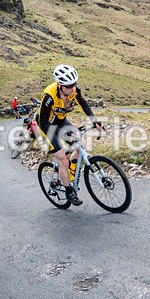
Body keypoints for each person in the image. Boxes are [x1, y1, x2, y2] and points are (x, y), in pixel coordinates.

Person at [37, 64, 101, 206]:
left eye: (73, 84)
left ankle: (71, 176)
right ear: (59, 85)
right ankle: (68, 191)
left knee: (82, 146)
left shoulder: (74, 89)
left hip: (61, 120)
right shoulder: (49, 96)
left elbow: (83, 103)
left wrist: (94, 120)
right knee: (62, 159)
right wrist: (60, 143)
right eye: (68, 86)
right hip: (46, 125)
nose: (72, 88)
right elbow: (43, 122)